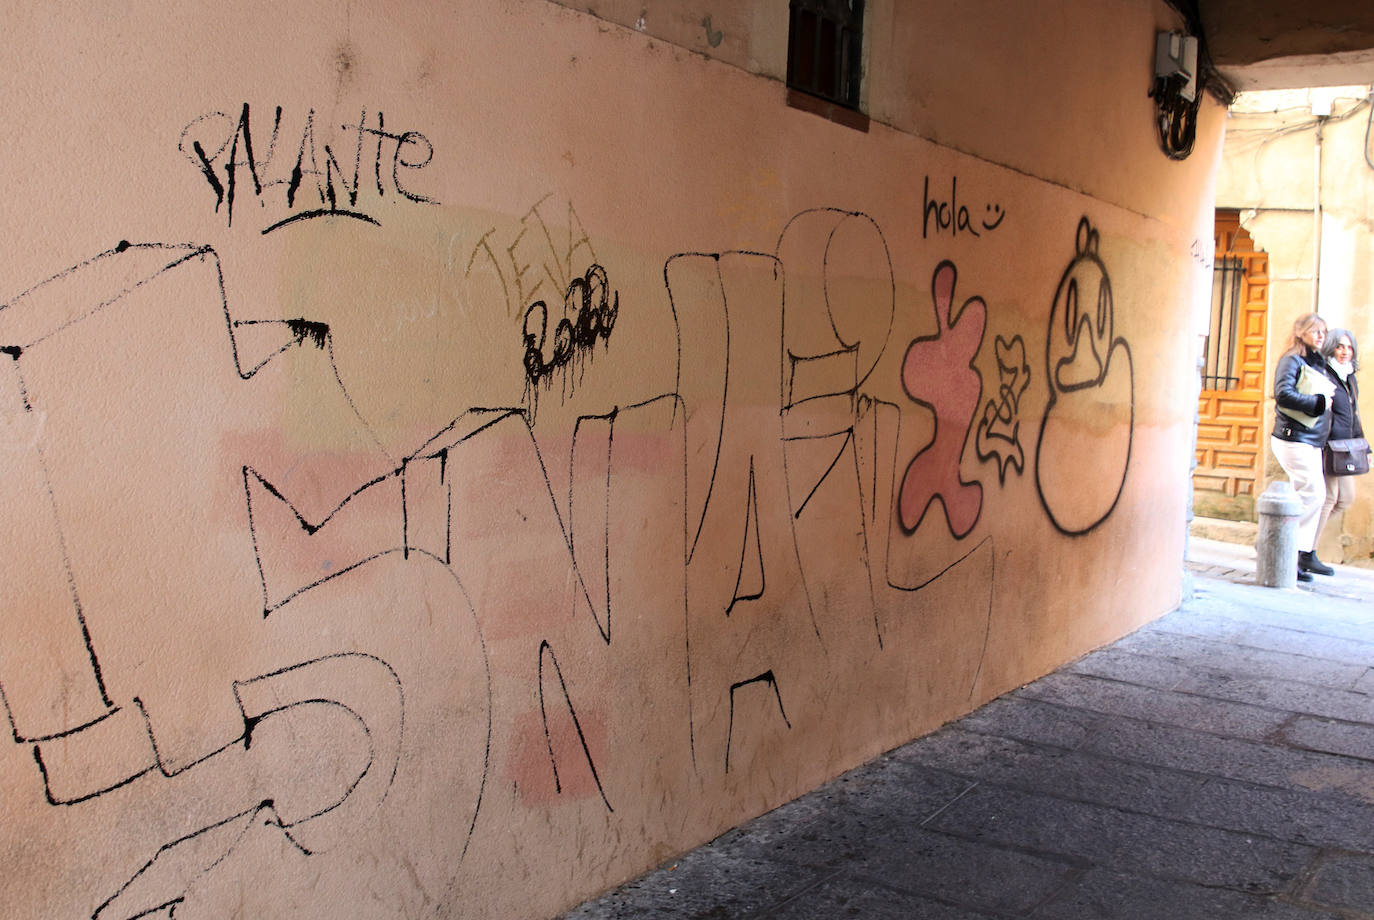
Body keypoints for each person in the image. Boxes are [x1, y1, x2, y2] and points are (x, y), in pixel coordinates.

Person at [1270, 312, 1332, 582]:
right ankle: (1283, 546)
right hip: (1293, 436)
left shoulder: (1316, 363)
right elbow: (1283, 394)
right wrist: (1317, 404)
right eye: (1315, 331)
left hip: (1310, 439)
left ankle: (1293, 555)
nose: (1320, 336)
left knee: (1308, 494)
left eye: (1323, 332)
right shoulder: (1291, 360)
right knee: (1313, 494)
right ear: (1301, 333)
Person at [1314, 328, 1364, 569]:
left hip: (1345, 447)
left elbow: (1353, 415)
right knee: (1329, 498)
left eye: (1349, 347)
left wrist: (1363, 446)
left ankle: (1296, 535)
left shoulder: (1349, 376)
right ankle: (1305, 551)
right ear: (1331, 348)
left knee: (1345, 499)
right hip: (1329, 445)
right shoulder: (1326, 374)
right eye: (1340, 347)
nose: (1345, 352)